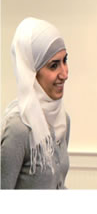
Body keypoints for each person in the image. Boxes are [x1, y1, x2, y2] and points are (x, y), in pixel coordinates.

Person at [1, 17, 70, 189]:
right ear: (31, 72)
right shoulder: (18, 130)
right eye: (54, 65)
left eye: (65, 61)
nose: (64, 73)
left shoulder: (62, 121)